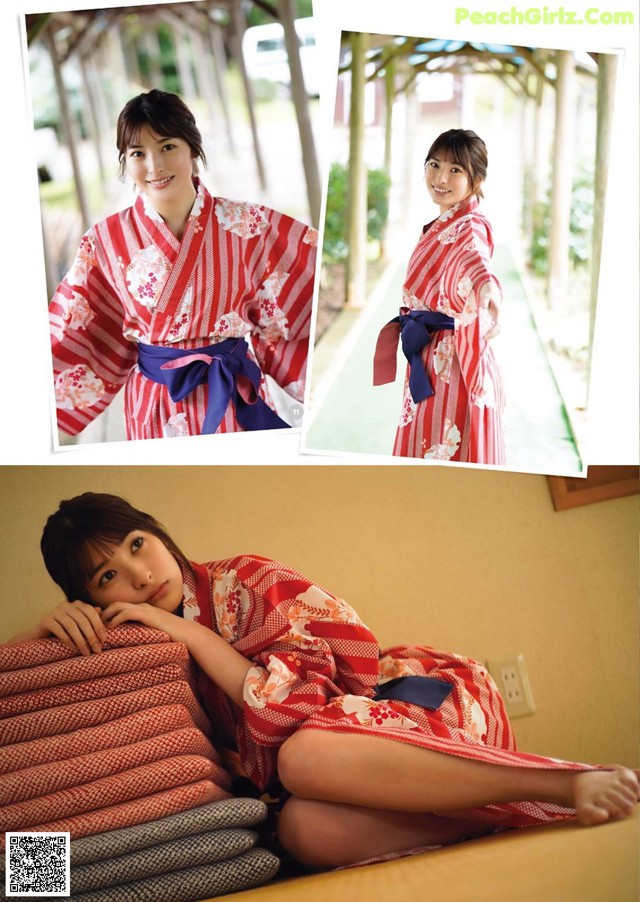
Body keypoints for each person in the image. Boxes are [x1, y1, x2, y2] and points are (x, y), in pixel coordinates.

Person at [6, 493, 639, 871]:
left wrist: (195, 635)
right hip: (151, 843)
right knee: (300, 832)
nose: (139, 577)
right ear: (88, 600)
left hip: (410, 710)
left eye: (138, 545)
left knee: (304, 754)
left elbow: (306, 709)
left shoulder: (243, 582)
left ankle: (562, 780)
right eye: (106, 577)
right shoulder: (118, 660)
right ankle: (499, 817)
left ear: (161, 535)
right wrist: (48, 640)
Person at [49, 90, 317, 441]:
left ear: (192, 147)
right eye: (137, 153)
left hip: (234, 392)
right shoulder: (104, 240)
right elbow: (76, 328)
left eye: (167, 147)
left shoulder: (248, 223)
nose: (154, 166)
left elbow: (303, 290)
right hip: (155, 403)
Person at [374, 129, 505, 464]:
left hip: (452, 359)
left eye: (455, 170)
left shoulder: (471, 225)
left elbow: (477, 259)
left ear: (476, 179)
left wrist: (488, 288)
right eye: (434, 164)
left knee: (441, 447)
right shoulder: (445, 221)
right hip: (432, 350)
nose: (440, 177)